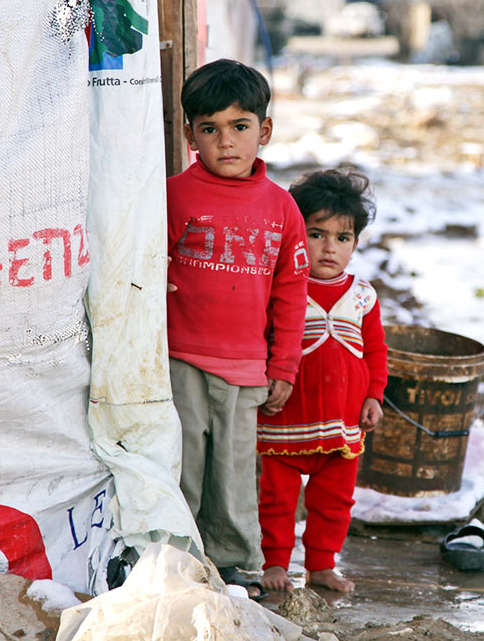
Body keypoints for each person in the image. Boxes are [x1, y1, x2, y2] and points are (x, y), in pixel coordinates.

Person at [166, 59, 310, 600]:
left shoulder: (281, 208)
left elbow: (290, 292)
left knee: (233, 470)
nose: (226, 141)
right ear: (190, 135)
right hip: (180, 357)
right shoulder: (173, 196)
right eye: (210, 129)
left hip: (247, 367)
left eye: (239, 126)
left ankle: (234, 564)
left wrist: (284, 366)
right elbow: (145, 264)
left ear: (264, 131)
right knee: (184, 464)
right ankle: (176, 557)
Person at [256, 168, 388, 593]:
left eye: (343, 238)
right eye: (316, 234)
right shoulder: (283, 287)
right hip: (286, 419)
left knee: (334, 502)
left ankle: (321, 565)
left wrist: (374, 396)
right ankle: (275, 562)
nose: (330, 247)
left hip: (343, 420)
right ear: (295, 233)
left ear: (355, 243)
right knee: (276, 499)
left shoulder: (362, 295)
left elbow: (376, 353)